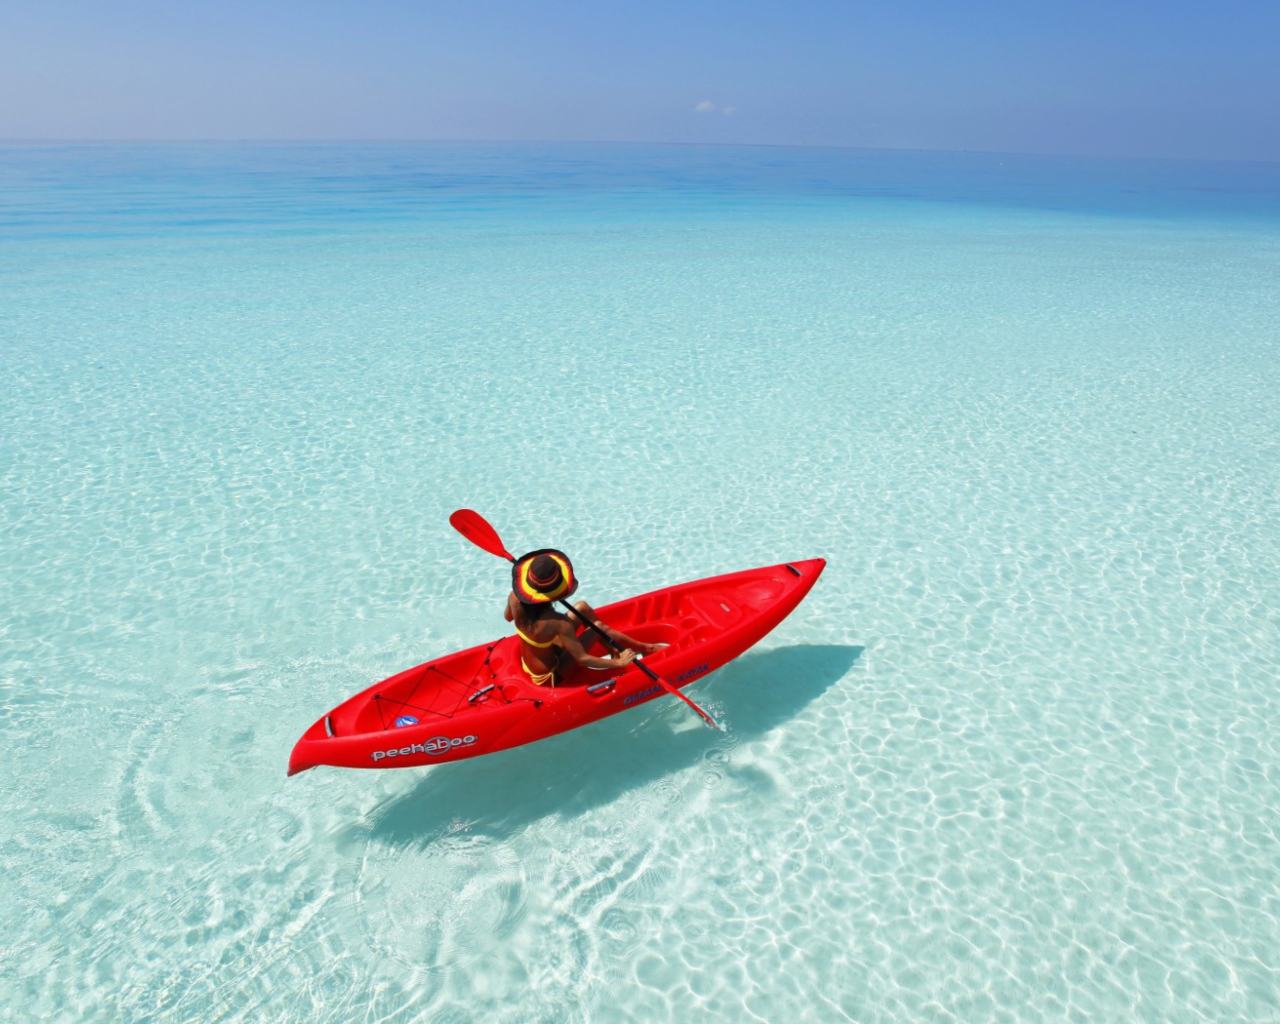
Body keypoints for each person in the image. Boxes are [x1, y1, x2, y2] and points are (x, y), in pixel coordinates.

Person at [505, 548, 661, 687]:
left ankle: (613, 648)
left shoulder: (514, 598)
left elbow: (508, 617)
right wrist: (619, 662)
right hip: (550, 676)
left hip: (536, 659)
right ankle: (647, 649)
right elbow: (582, 659)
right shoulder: (559, 623)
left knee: (582, 608)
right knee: (597, 627)